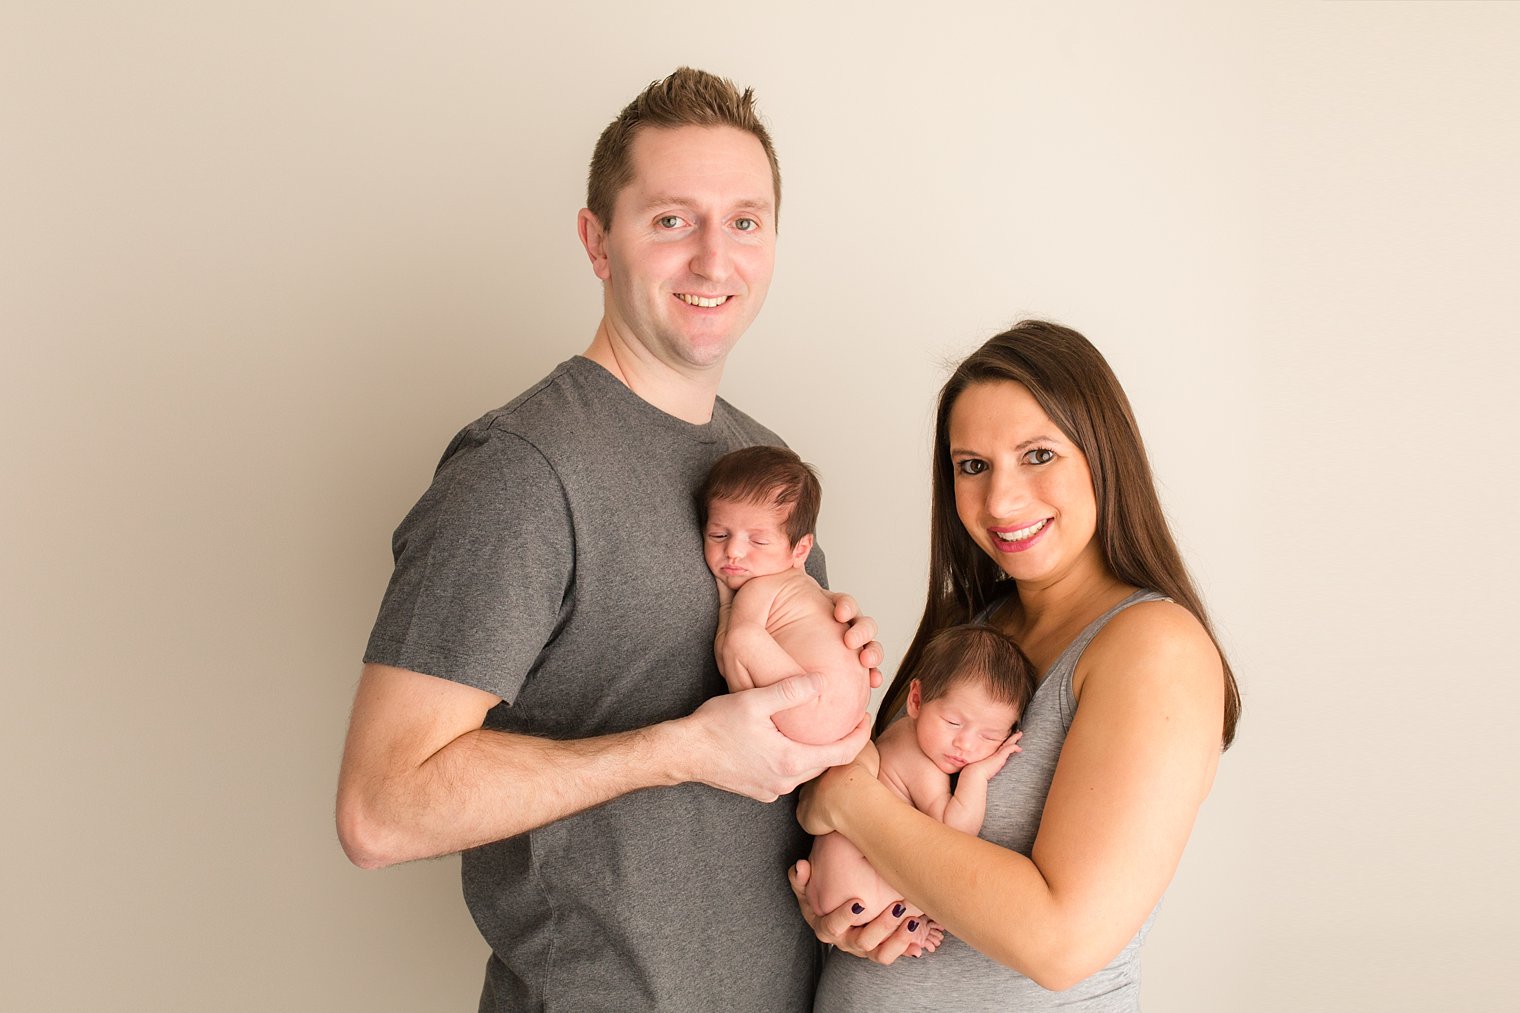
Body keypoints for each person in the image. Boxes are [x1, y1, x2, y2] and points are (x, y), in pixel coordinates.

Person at [334, 68, 885, 1013]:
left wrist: (838, 864)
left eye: (745, 222)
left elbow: (767, 782)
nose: (716, 260)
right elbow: (379, 809)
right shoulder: (521, 470)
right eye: (672, 220)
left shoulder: (767, 468)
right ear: (597, 241)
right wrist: (681, 749)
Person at [794, 319, 1242, 1009]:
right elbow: (890, 816)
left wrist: (849, 804)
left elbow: (1059, 942)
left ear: (1102, 453)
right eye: (973, 465)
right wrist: (847, 913)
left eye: (1037, 454)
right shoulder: (974, 625)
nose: (1000, 500)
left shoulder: (1154, 646)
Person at [804, 624, 1034, 948]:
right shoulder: (920, 762)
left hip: (827, 874)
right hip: (856, 885)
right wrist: (976, 776)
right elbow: (953, 832)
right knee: (937, 891)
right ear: (916, 699)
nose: (965, 744)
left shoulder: (901, 731)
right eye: (953, 722)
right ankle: (910, 928)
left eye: (989, 737)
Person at [700, 445, 872, 744]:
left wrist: (727, 602)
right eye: (719, 535)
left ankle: (750, 715)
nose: (734, 551)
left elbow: (733, 645)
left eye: (758, 541)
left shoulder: (760, 587)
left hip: (811, 706)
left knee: (738, 639)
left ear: (801, 549)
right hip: (849, 714)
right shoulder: (806, 584)